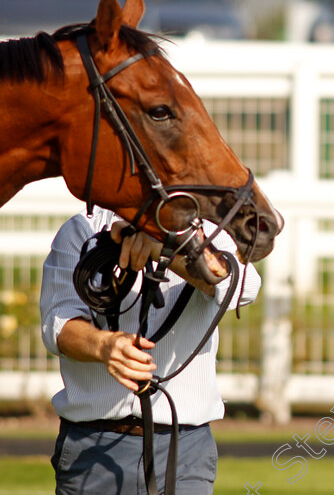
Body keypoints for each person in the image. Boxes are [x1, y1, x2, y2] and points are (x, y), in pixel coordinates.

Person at [41, 206, 260, 494]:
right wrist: (104, 346)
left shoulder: (209, 233)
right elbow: (57, 326)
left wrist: (163, 251)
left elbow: (244, 287)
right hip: (93, 447)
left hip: (184, 450)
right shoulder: (84, 229)